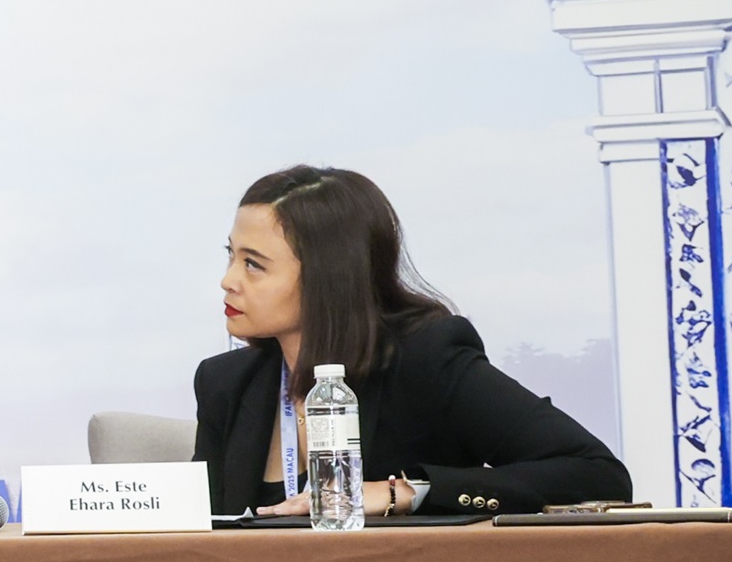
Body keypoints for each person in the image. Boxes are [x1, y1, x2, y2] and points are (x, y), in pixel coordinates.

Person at [198, 164, 630, 517]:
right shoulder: (226, 382)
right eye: (231, 255)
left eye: (253, 264)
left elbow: (596, 473)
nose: (228, 281)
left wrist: (405, 493)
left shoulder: (426, 359)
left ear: (328, 278)